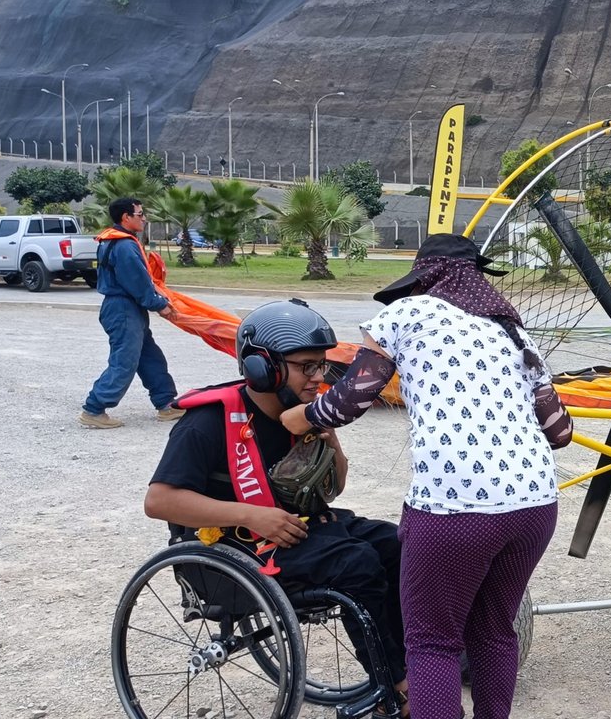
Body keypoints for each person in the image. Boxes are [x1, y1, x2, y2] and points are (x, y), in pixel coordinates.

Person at [281, 233, 573, 719]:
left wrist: (301, 418)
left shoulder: (404, 314)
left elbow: (357, 394)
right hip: (535, 503)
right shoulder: (515, 334)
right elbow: (559, 431)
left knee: (433, 641)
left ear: (424, 277)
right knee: (495, 630)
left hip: (454, 506)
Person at [144, 299, 409, 708]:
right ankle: (395, 687)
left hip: (296, 529)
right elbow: (159, 500)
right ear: (262, 367)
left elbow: (333, 490)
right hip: (232, 548)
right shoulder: (208, 421)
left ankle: (412, 666)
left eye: (321, 365)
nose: (319, 377)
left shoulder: (299, 413)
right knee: (355, 562)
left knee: (398, 543)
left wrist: (328, 434)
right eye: (307, 366)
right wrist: (251, 514)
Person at [80, 196, 181, 428]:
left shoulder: (114, 241)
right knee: (124, 361)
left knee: (150, 357)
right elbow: (137, 283)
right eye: (140, 215)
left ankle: (166, 403)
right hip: (123, 309)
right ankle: (94, 408)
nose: (144, 219)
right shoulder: (124, 246)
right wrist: (160, 305)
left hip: (126, 309)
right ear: (126, 217)